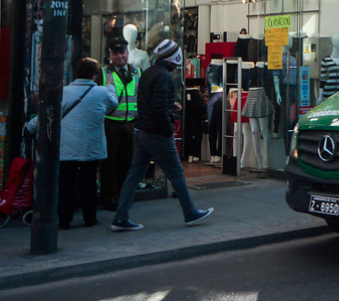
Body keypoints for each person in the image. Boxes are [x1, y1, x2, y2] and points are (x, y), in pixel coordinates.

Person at [111, 40, 213, 231]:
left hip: (141, 131)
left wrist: (169, 105)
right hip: (156, 133)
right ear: (173, 57)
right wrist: (168, 129)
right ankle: (190, 212)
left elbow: (149, 102)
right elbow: (157, 109)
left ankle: (120, 216)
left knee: (133, 176)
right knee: (176, 172)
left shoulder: (148, 73)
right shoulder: (164, 77)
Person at [26, 58, 118, 229]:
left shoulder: (64, 92)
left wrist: (29, 127)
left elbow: (48, 114)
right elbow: (114, 103)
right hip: (91, 146)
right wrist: (111, 85)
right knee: (89, 182)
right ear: (94, 75)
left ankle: (64, 219)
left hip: (67, 146)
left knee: (66, 183)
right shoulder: (102, 92)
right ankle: (90, 218)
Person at [99, 37, 141, 211]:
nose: (120, 56)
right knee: (109, 162)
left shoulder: (137, 72)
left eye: (122, 52)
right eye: (115, 53)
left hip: (131, 123)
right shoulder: (103, 73)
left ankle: (124, 195)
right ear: (110, 55)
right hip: (110, 123)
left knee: (128, 161)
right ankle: (110, 197)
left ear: (127, 52)